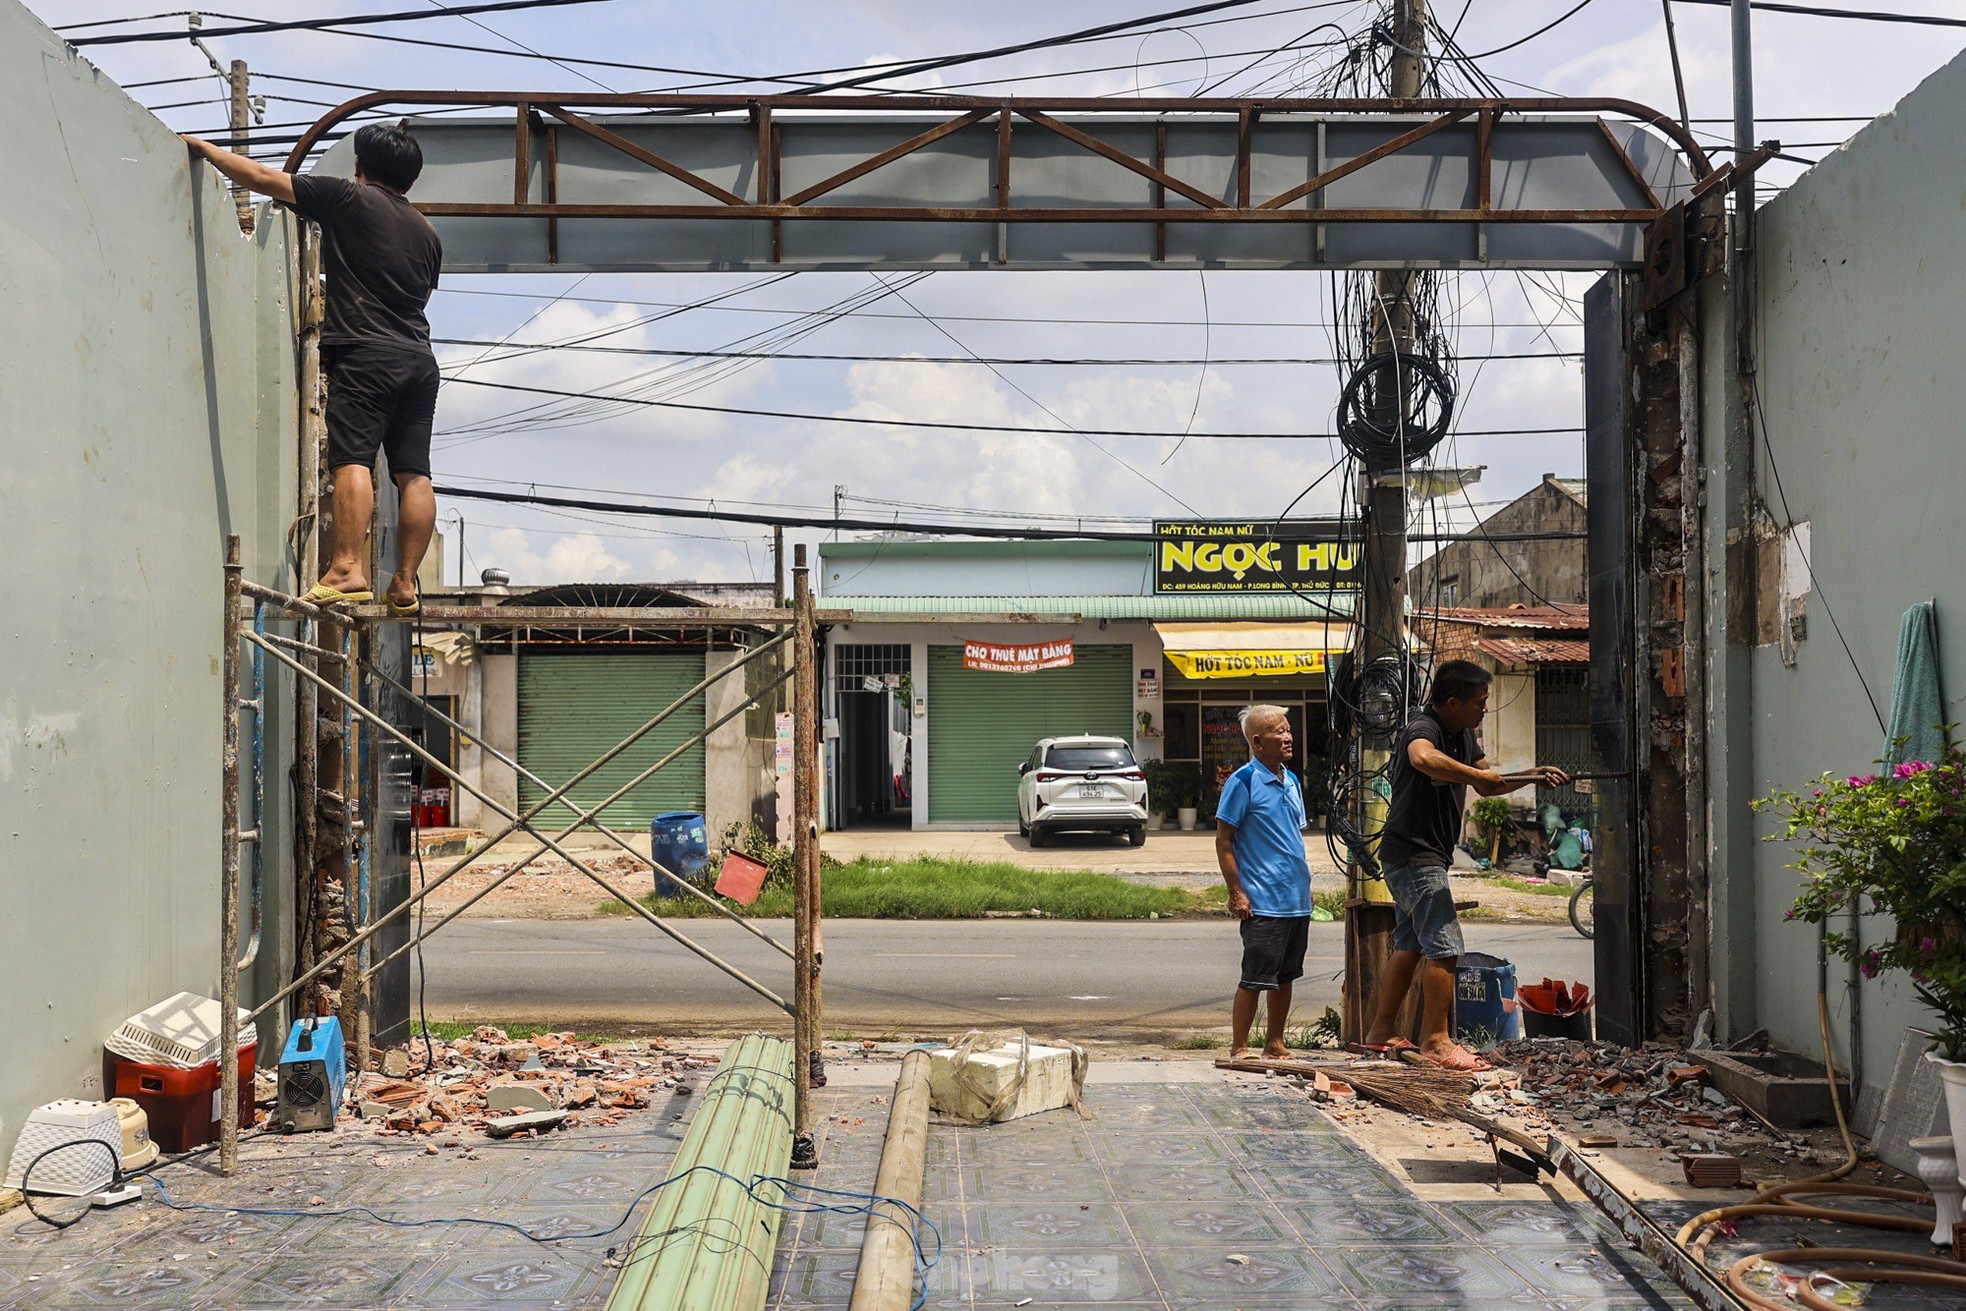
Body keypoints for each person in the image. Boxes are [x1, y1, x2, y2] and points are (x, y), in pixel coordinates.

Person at [181, 122, 442, 615]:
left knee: (353, 460)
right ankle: (406, 583)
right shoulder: (428, 234)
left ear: (360, 166)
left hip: (367, 355)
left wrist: (204, 148)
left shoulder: (348, 198)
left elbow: (262, 178)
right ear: (410, 180)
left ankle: (346, 569)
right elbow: (419, 296)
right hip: (420, 360)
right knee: (414, 473)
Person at [1361, 659, 1567, 1071]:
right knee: (1446, 946)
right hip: (1413, 854)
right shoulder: (1425, 729)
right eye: (1480, 702)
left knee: (1410, 944)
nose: (1484, 709)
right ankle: (1436, 1041)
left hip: (1421, 854)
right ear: (1452, 702)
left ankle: (1380, 1033)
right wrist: (1472, 775)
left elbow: (1488, 782)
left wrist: (1530, 776)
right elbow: (1422, 758)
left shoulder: (1464, 735)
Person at [1215, 704, 1314, 1060]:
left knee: (1285, 976)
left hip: (1295, 900)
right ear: (1257, 742)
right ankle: (1239, 1046)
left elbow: (1291, 839)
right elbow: (1224, 840)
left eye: (1288, 730)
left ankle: (1275, 1041)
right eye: (1279, 732)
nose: (1288, 737)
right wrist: (1236, 892)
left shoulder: (1291, 780)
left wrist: (1306, 888)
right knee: (1255, 977)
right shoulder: (1242, 781)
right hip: (1263, 900)